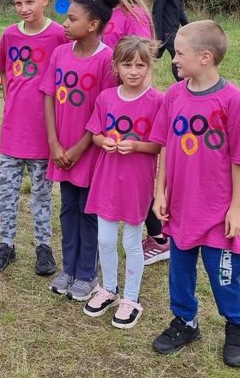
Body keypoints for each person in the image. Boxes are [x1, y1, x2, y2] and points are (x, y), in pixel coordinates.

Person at [150, 20, 240, 368]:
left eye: (180, 53)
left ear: (205, 57)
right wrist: (160, 192)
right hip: (181, 208)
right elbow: (165, 145)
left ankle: (238, 325)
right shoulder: (174, 95)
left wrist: (236, 208)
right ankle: (185, 321)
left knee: (224, 277)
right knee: (179, 273)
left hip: (219, 213)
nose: (174, 59)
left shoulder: (232, 100)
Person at [0, 0, 66, 275]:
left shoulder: (59, 35)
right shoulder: (9, 35)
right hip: (13, 132)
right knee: (6, 192)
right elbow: (4, 70)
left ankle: (43, 247)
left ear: (44, 0)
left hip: (44, 132)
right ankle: (6, 244)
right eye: (18, 3)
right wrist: (12, 102)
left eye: (30, 2)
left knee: (41, 194)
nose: (24, 8)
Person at [41, 0, 118, 301]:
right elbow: (48, 96)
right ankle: (68, 269)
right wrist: (54, 143)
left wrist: (79, 147)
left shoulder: (107, 59)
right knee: (68, 208)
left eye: (72, 19)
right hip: (61, 150)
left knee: (88, 212)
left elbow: (106, 111)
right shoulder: (60, 53)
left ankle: (87, 273)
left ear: (93, 24)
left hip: (90, 152)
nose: (65, 23)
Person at [93, 0, 168, 263]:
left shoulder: (134, 15)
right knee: (109, 169)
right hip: (100, 101)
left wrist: (134, 101)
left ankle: (159, 237)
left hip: (124, 107)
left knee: (133, 171)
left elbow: (141, 61)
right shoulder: (96, 10)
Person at [83, 36, 163, 328]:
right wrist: (103, 141)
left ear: (149, 66)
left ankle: (131, 297)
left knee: (131, 241)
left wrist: (138, 146)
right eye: (127, 65)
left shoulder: (158, 101)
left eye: (140, 65)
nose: (133, 71)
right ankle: (108, 288)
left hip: (136, 184)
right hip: (107, 180)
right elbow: (95, 133)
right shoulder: (106, 98)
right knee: (105, 239)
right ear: (116, 66)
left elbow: (159, 145)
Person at [152, 0, 189, 81]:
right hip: (166, 31)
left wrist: (189, 27)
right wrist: (158, 35)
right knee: (177, 57)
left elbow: (179, 9)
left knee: (151, 56)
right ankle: (182, 84)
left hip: (173, 29)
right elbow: (157, 11)